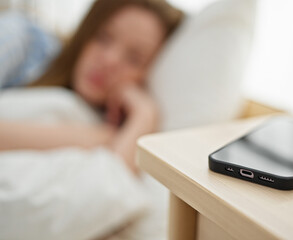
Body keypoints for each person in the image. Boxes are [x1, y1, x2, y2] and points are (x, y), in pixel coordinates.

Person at [0, 0, 183, 174]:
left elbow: (113, 180)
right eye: (103, 37)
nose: (109, 60)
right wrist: (99, 138)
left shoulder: (106, 121)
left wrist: (145, 113)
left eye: (134, 59)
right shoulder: (23, 39)